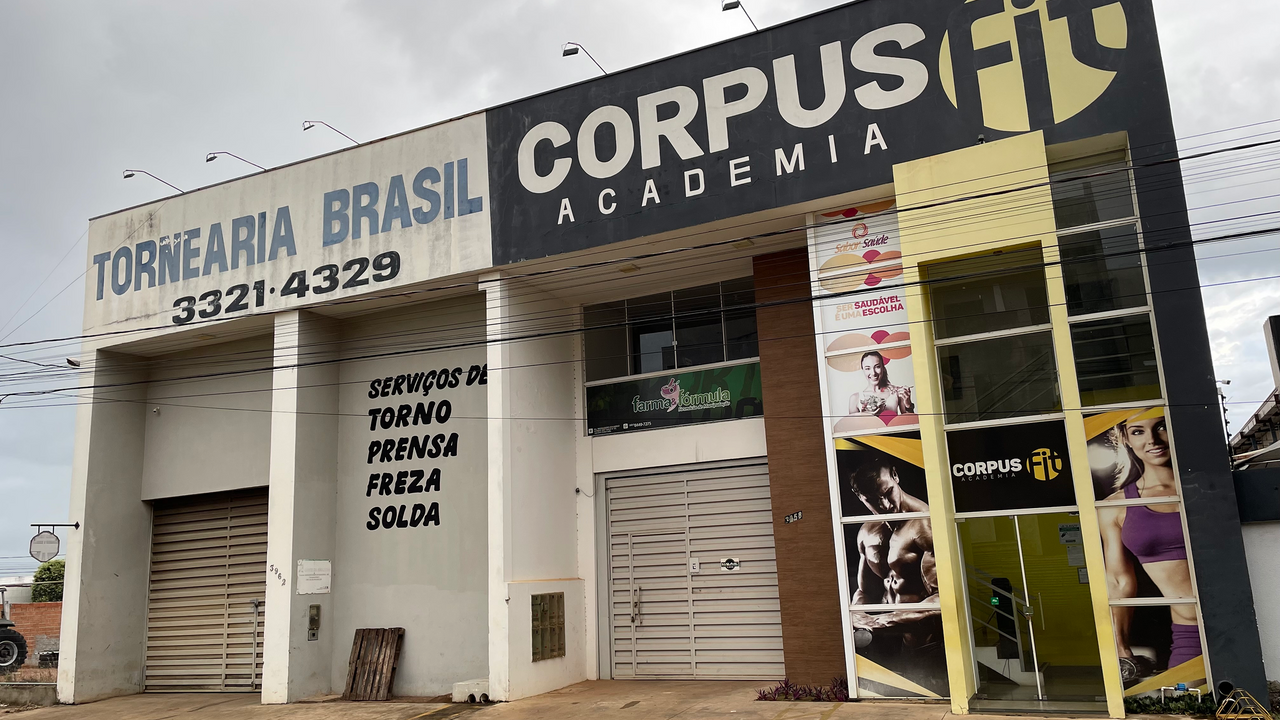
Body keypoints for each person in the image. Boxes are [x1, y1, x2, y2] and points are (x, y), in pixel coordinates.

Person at [1098, 414, 1201, 675]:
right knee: (1186, 700)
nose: (1153, 439)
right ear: (1125, 439)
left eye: (1161, 426)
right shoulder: (1116, 506)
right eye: (1138, 431)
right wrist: (1120, 647)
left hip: (1246, 620)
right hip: (1189, 634)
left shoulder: (1210, 487)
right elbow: (1118, 581)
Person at [848, 456, 938, 629]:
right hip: (889, 637)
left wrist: (887, 619)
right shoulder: (867, 531)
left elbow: (943, 596)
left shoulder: (925, 525)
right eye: (872, 500)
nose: (885, 505)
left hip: (927, 638)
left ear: (895, 475)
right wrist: (857, 614)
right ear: (859, 496)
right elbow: (865, 592)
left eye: (888, 492)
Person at [848, 351, 914, 418]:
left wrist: (908, 405)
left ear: (883, 368)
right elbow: (853, 424)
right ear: (863, 370)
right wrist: (864, 415)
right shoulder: (855, 399)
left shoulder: (896, 392)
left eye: (877, 367)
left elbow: (910, 421)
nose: (873, 373)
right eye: (867, 368)